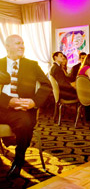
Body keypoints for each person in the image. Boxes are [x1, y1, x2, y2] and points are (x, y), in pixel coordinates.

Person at [0, 35, 52, 179]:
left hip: (22, 109)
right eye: (18, 43)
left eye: (23, 43)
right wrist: (8, 100)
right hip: (1, 106)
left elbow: (47, 85)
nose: (22, 46)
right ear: (7, 46)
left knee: (25, 123)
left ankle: (18, 160)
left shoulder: (32, 65)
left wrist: (34, 102)